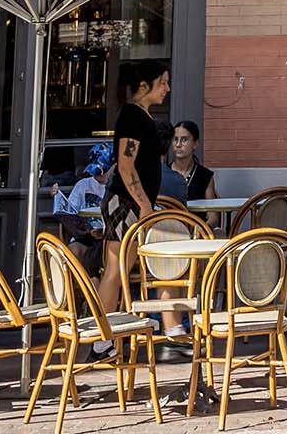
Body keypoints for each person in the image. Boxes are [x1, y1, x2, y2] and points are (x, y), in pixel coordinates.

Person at [99, 60, 174, 356]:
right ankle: (103, 339)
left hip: (131, 202)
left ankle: (108, 337)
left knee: (119, 270)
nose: (167, 89)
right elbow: (126, 166)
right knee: (115, 271)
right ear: (144, 85)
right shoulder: (132, 116)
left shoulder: (140, 116)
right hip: (126, 203)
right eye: (163, 82)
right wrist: (144, 205)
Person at [165, 121, 217, 201]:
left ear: (195, 144)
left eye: (184, 140)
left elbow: (212, 212)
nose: (178, 144)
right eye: (175, 139)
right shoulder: (164, 173)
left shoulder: (205, 176)